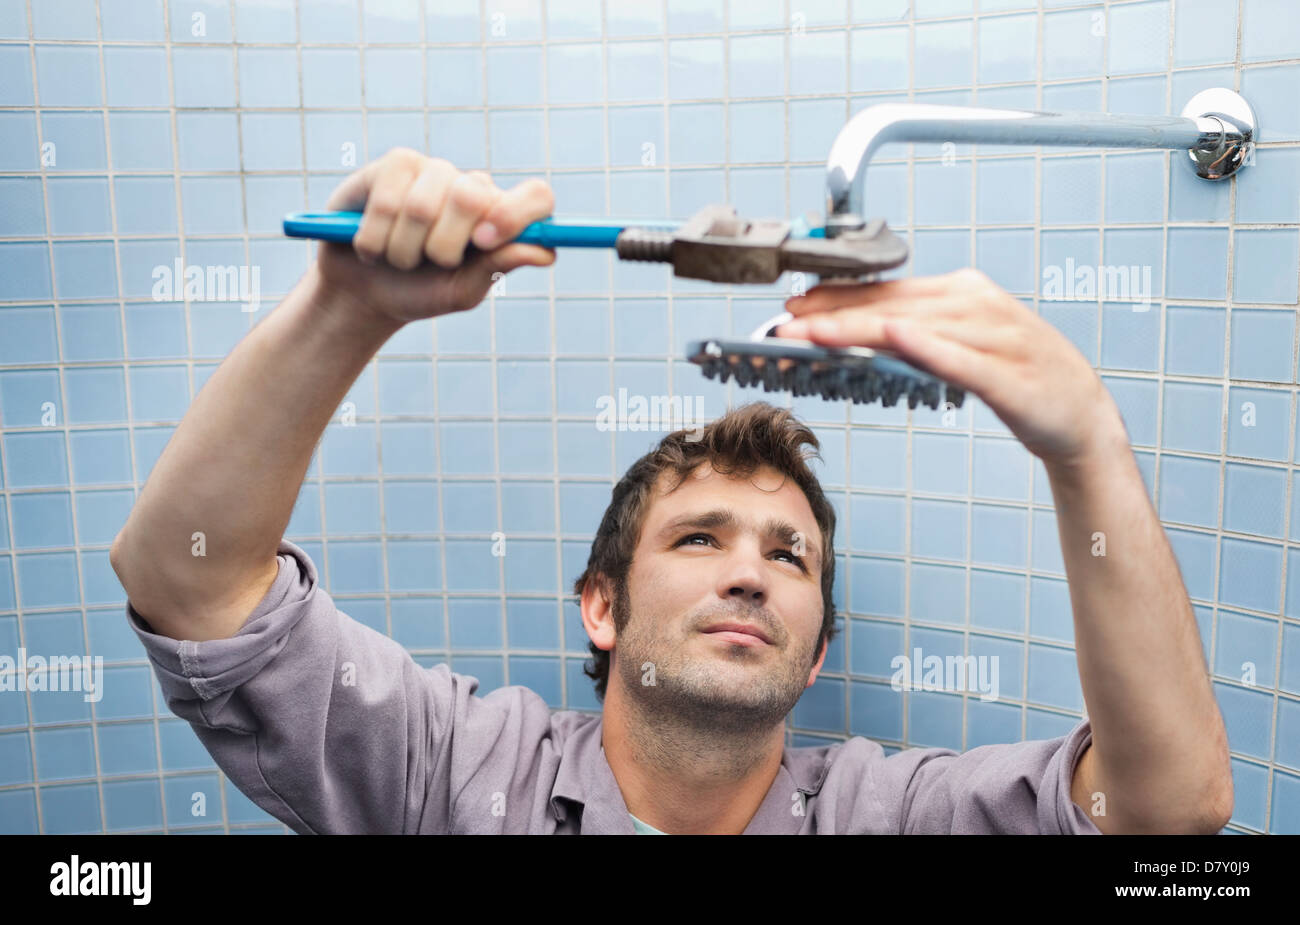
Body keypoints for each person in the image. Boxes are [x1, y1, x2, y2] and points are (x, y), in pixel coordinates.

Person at [110, 149, 1233, 834]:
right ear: (602, 607)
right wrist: (343, 310)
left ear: (817, 651)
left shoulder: (890, 817)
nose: (751, 569)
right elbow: (187, 582)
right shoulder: (451, 777)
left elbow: (1167, 814)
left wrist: (1084, 447)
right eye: (700, 537)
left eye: (789, 557)